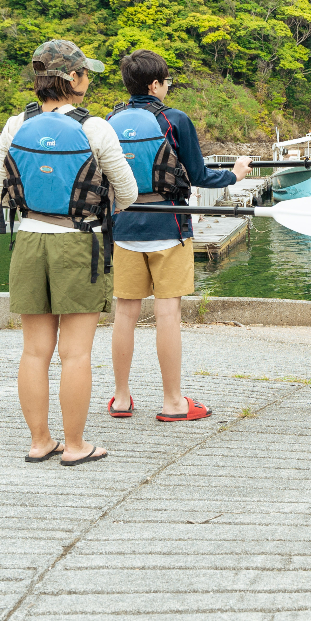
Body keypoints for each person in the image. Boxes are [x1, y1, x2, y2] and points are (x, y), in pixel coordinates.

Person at [0, 39, 139, 466]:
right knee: (76, 352)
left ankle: (40, 442)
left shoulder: (15, 125)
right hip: (80, 242)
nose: (88, 79)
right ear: (72, 78)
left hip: (30, 241)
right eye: (85, 73)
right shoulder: (95, 127)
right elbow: (126, 192)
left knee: (34, 350)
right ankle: (75, 446)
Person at [106, 50, 250, 422]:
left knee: (125, 312)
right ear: (155, 85)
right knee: (167, 313)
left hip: (123, 227)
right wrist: (234, 174)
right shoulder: (175, 119)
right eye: (167, 82)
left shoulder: (110, 121)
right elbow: (200, 175)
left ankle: (121, 398)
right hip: (168, 227)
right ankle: (172, 402)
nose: (167, 87)